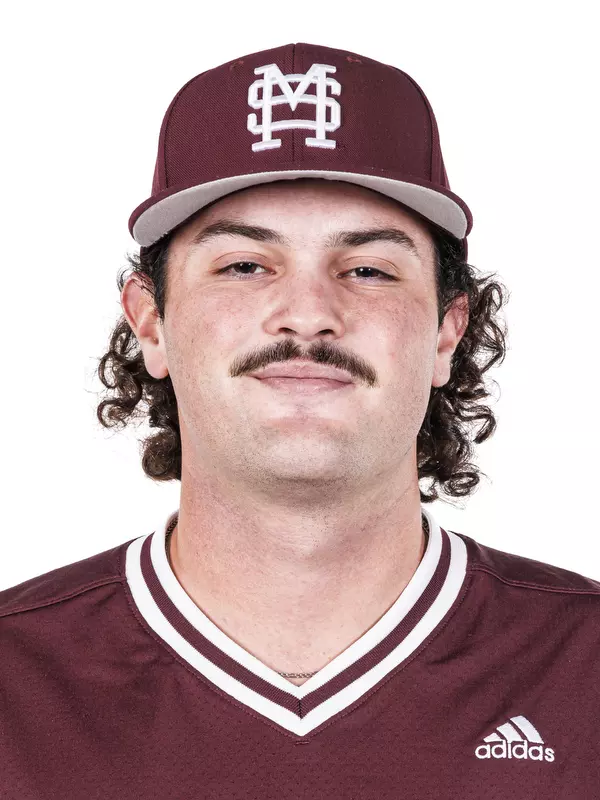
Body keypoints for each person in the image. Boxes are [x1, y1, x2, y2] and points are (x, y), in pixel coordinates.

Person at [1, 42, 598, 799]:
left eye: (369, 269)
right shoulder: (14, 679)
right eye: (245, 265)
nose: (310, 314)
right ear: (151, 322)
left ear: (448, 331)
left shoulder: (585, 667)